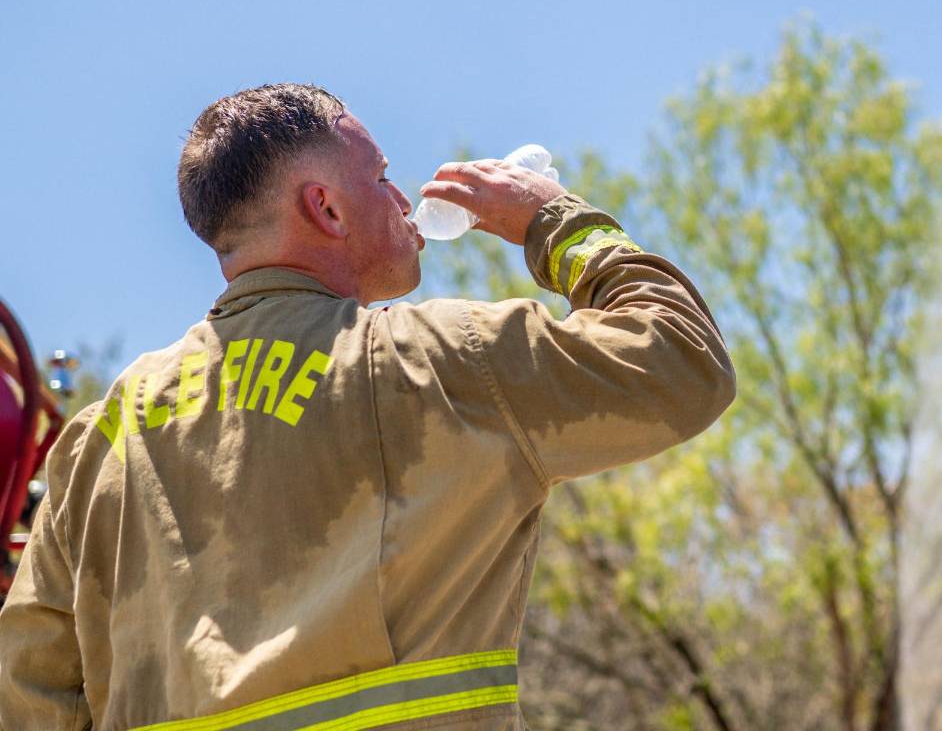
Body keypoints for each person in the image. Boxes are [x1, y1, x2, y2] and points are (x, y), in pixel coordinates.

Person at [0, 83, 735, 729]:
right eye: (382, 178)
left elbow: (32, 686)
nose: (403, 199)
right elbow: (680, 361)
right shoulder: (443, 360)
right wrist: (557, 221)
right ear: (325, 207)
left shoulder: (102, 436)